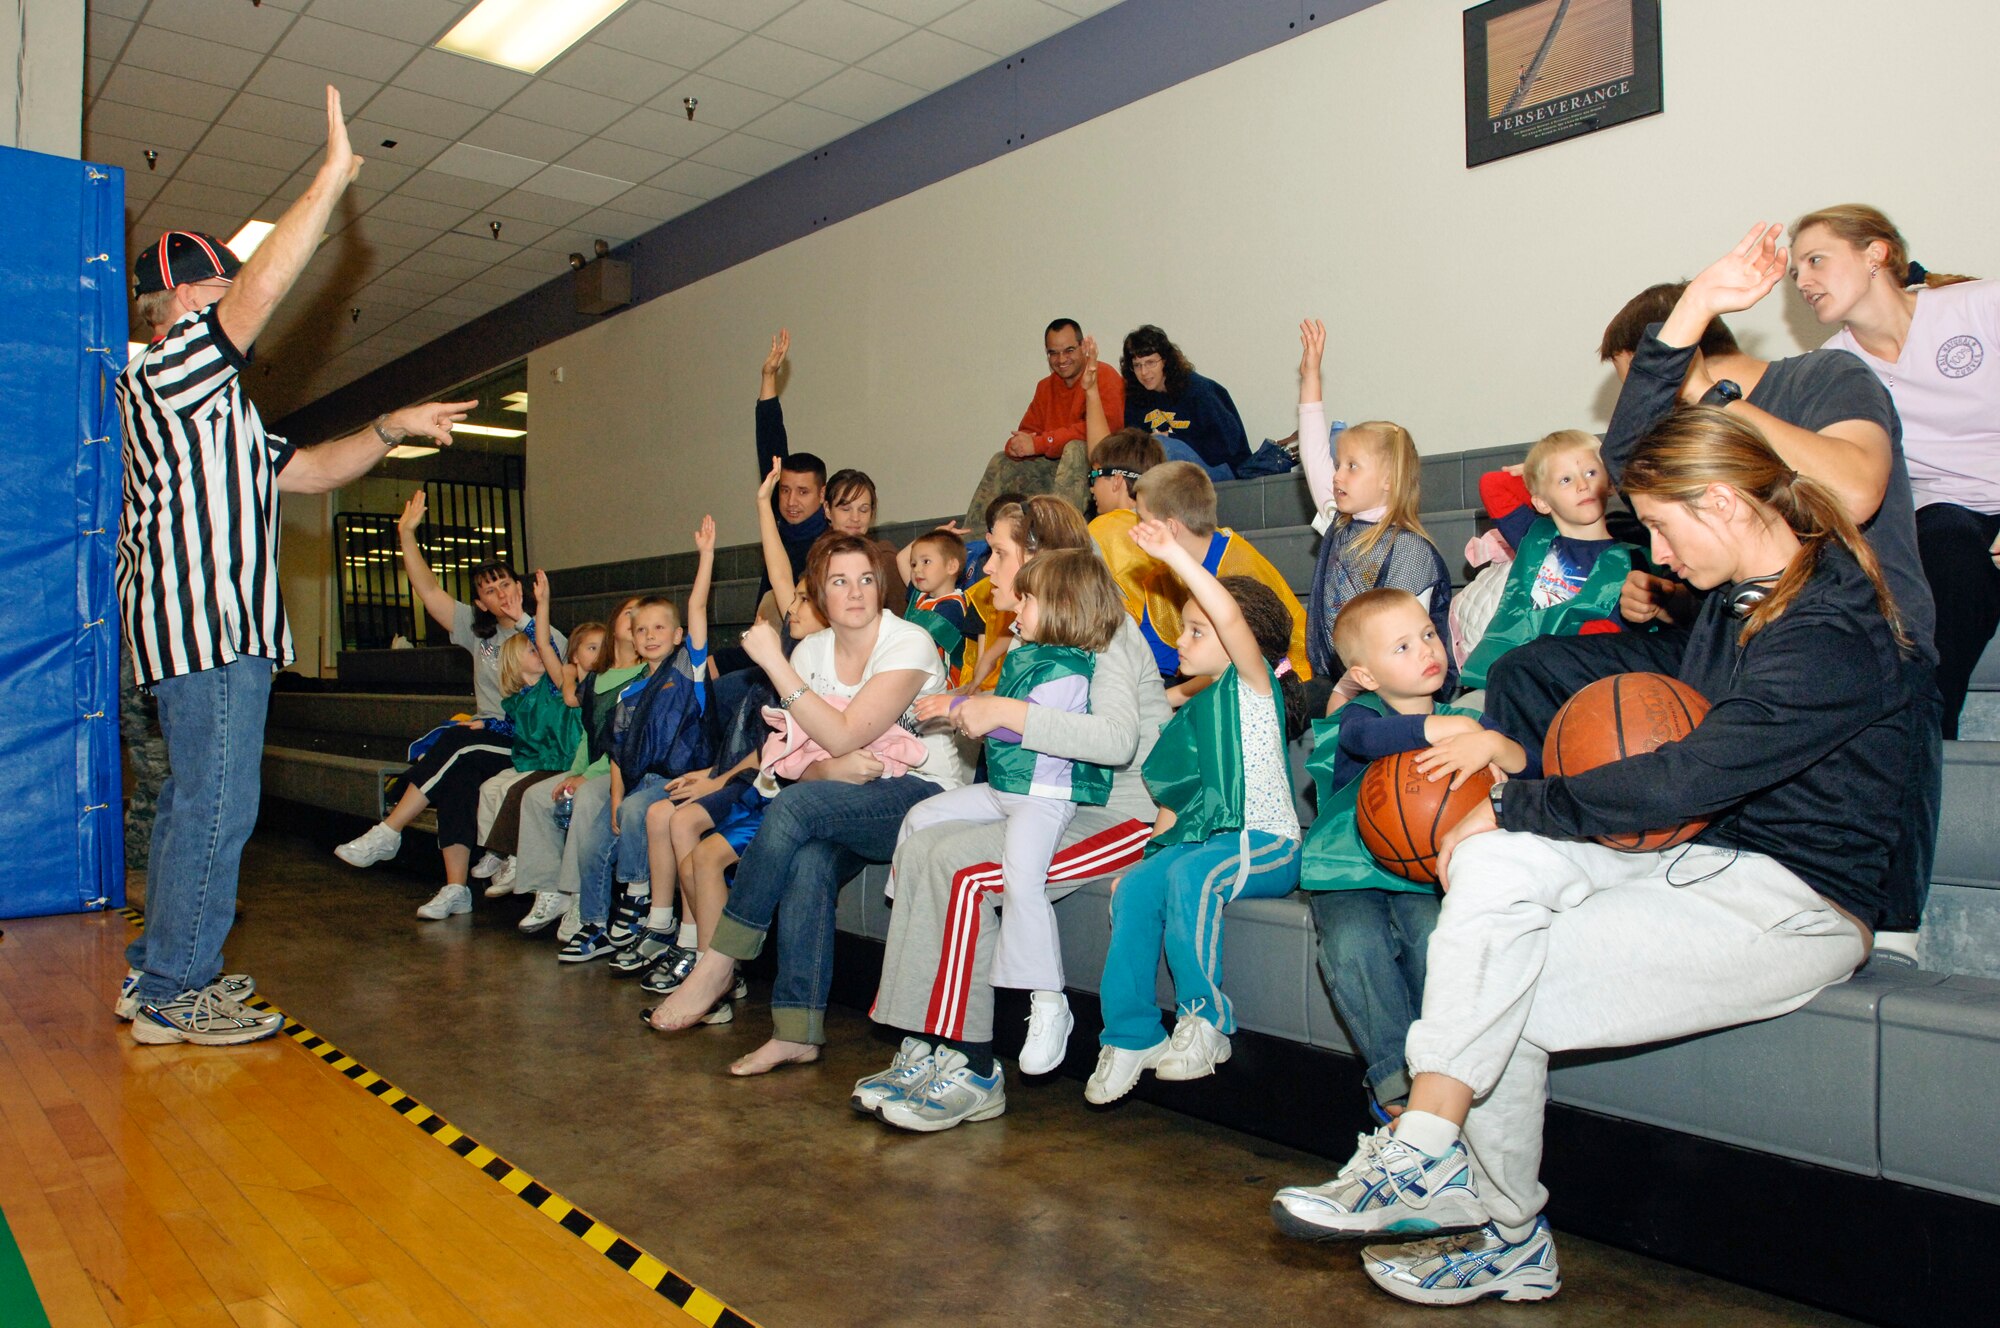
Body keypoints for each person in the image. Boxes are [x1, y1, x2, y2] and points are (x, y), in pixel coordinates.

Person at [1270, 407, 1917, 1308]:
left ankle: (1498, 1225)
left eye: (1659, 524)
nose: (1651, 548)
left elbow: (1685, 776)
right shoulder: (1742, 595)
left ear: (1726, 502)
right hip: (1696, 857)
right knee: (1492, 866)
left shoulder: (1829, 630)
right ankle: (1426, 1151)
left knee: (1510, 965)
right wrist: (1511, 798)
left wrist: (1516, 796)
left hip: (1793, 902)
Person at [115, 87, 473, 1045]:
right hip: (205, 630)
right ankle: (173, 992)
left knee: (203, 804)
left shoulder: (220, 412)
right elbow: (262, 291)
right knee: (219, 805)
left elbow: (310, 470)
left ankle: (161, 971)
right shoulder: (170, 369)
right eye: (217, 289)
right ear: (185, 302)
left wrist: (389, 428)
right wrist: (328, 181)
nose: (237, 304)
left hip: (219, 634)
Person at [1490, 223, 1940, 942]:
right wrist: (1671, 595)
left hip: (1854, 636)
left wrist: (1713, 398)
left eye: (1640, 379)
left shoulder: (1824, 377)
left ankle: (1890, 926)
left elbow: (1854, 492)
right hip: (1728, 635)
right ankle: (1552, 834)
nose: (1638, 403)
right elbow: (1632, 460)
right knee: (1528, 670)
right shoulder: (1682, 452)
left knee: (1883, 690)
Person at [855, 496, 1168, 1130]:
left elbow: (1115, 741)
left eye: (998, 552)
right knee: (921, 843)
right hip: (1051, 802)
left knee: (964, 872)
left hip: (1116, 815)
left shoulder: (1102, 627)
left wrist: (1001, 712)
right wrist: (973, 705)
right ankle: (927, 1040)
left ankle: (974, 1070)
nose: (987, 567)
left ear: (1040, 558)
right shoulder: (1037, 632)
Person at [645, 534, 972, 1071]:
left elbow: (843, 734)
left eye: (866, 579)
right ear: (819, 591)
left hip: (923, 794)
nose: (856, 592)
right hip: (842, 796)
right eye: (840, 581)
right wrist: (824, 769)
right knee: (808, 860)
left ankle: (719, 961)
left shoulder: (906, 641)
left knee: (794, 813)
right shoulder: (814, 652)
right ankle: (797, 1030)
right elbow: (797, 760)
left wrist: (778, 666)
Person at [1086, 534, 1309, 1105]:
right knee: (1137, 888)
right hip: (1207, 846)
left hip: (1268, 844)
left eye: (1195, 630)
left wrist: (1177, 555)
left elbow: (1230, 616)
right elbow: (1172, 805)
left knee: (1193, 876)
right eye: (1182, 628)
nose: (1178, 641)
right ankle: (1131, 1034)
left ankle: (1205, 1022)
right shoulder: (1194, 712)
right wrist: (1143, 864)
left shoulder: (1253, 687)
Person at [1301, 589, 1529, 1121]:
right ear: (1368, 675)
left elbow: (1531, 762)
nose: (1425, 649)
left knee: (1437, 945)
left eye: (1428, 634)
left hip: (1426, 873)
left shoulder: (1466, 719)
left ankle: (1441, 1074)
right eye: (1401, 647)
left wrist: (1494, 747)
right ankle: (1394, 1085)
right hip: (1346, 871)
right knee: (1355, 946)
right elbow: (1369, 739)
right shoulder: (1360, 714)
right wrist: (1445, 729)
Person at [1792, 204, 1999, 737]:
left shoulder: (1978, 306)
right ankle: (1930, 733)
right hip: (1943, 514)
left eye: (1815, 260)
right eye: (1795, 273)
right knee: (1946, 546)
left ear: (1875, 254)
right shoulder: (1833, 367)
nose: (1803, 281)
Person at [335, 491, 564, 920]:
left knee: (458, 743)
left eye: (505, 585)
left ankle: (389, 831)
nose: (499, 594)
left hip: (530, 738)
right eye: (489, 591)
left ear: (521, 587)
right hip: (485, 736)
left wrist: (528, 622)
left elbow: (559, 679)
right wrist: (405, 534)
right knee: (457, 777)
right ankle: (456, 888)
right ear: (480, 603)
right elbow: (427, 589)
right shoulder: (477, 634)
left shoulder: (545, 631)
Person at [580, 520, 717, 962]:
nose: (652, 635)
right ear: (634, 642)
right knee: (608, 817)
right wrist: (616, 795)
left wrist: (707, 557)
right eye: (643, 631)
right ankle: (590, 918)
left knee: (640, 809)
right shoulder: (629, 692)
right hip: (640, 779)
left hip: (682, 777)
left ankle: (640, 897)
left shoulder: (688, 670)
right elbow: (619, 751)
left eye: (661, 628)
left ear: (677, 637)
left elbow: (697, 606)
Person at [1296, 320, 1454, 697]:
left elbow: (1403, 645)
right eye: (1339, 465)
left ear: (1388, 480)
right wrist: (1311, 377)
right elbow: (1312, 453)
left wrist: (1347, 690)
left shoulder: (1410, 551)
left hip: (1394, 690)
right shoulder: (1339, 520)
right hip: (1342, 678)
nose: (1336, 476)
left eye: (1352, 466)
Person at [1456, 431, 1642, 692]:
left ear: (1610, 483)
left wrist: (1555, 481)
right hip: (1505, 675)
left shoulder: (1630, 558)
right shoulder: (1534, 536)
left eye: (1591, 473)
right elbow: (1493, 484)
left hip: (1578, 678)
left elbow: (1611, 630)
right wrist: (1535, 477)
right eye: (1566, 479)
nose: (1582, 485)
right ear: (1541, 502)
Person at [512, 597, 645, 936]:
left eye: (640, 614)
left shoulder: (647, 673)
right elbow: (589, 734)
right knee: (536, 796)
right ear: (615, 621)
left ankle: (578, 896)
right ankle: (549, 890)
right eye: (627, 611)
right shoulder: (598, 678)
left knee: (585, 799)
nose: (634, 618)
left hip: (624, 771)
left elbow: (626, 741)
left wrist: (588, 778)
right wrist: (576, 773)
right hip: (594, 766)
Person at [1129, 461, 1313, 689]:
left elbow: (1242, 667)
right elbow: (1153, 659)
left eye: (1141, 519)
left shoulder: (1241, 570)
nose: (1134, 527)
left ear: (1170, 528)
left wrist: (1170, 698)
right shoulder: (1162, 577)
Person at [961, 320, 1125, 534]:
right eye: (1053, 353)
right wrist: (1017, 445)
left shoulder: (1103, 375)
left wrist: (1043, 442)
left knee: (1075, 448)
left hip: (1096, 469)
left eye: (1069, 350)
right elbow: (1027, 434)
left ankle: (1059, 538)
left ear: (1083, 348)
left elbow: (1106, 432)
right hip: (1054, 470)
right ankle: (971, 546)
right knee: (1000, 461)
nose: (1061, 359)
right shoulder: (1045, 387)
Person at [468, 631, 585, 900]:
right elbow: (512, 727)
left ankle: (515, 855)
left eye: (537, 650)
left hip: (556, 758)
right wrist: (486, 724)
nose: (539, 654)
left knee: (513, 790)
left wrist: (530, 616)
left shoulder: (552, 686)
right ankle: (495, 852)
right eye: (531, 651)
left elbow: (548, 644)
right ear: (513, 663)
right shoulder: (517, 700)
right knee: (488, 788)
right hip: (532, 759)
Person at [1113, 324, 1252, 479]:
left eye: (1150, 362)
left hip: (1223, 471)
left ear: (1165, 360)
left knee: (1160, 446)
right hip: (1170, 474)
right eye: (1137, 366)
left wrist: (1173, 438)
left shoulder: (1199, 390)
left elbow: (1226, 445)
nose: (1144, 372)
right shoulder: (1136, 398)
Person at [754, 328, 830, 597]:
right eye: (785, 490)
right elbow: (770, 438)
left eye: (803, 492)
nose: (790, 501)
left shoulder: (832, 541)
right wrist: (768, 376)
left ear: (822, 494)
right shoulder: (778, 524)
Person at [1087, 427, 1167, 620]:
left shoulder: (1099, 530)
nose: (1091, 489)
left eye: (1094, 477)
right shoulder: (1168, 526)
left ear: (1116, 480)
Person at [901, 528, 979, 684]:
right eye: (914, 564)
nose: (916, 569)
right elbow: (900, 558)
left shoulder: (951, 607)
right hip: (920, 676)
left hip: (945, 686)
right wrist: (936, 532)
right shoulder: (920, 595)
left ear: (951, 566)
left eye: (926, 562)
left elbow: (918, 646)